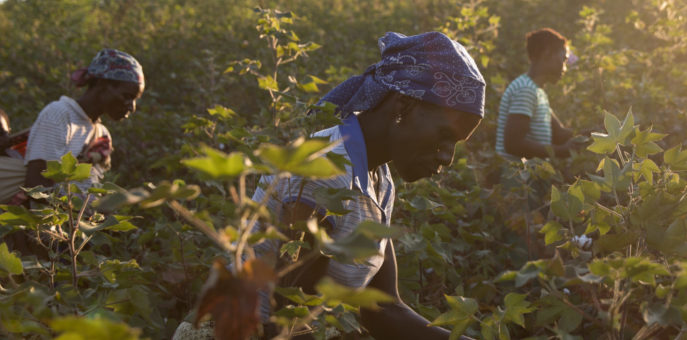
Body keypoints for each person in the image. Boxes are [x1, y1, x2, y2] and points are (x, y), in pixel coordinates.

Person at [174, 31, 485, 340]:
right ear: (402, 105)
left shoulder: (380, 182)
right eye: (445, 136)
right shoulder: (325, 167)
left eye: (455, 144)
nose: (447, 157)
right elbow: (287, 315)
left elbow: (384, 311)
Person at [23, 48, 144, 195]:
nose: (132, 107)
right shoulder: (59, 114)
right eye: (127, 96)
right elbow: (36, 186)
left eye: (135, 100)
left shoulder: (102, 134)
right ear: (102, 84)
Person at [495, 28, 582, 161]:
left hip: (529, 177)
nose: (564, 68)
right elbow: (513, 145)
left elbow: (559, 134)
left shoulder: (537, 91)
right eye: (563, 60)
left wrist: (594, 134)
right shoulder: (525, 90)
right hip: (517, 178)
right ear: (546, 54)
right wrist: (562, 151)